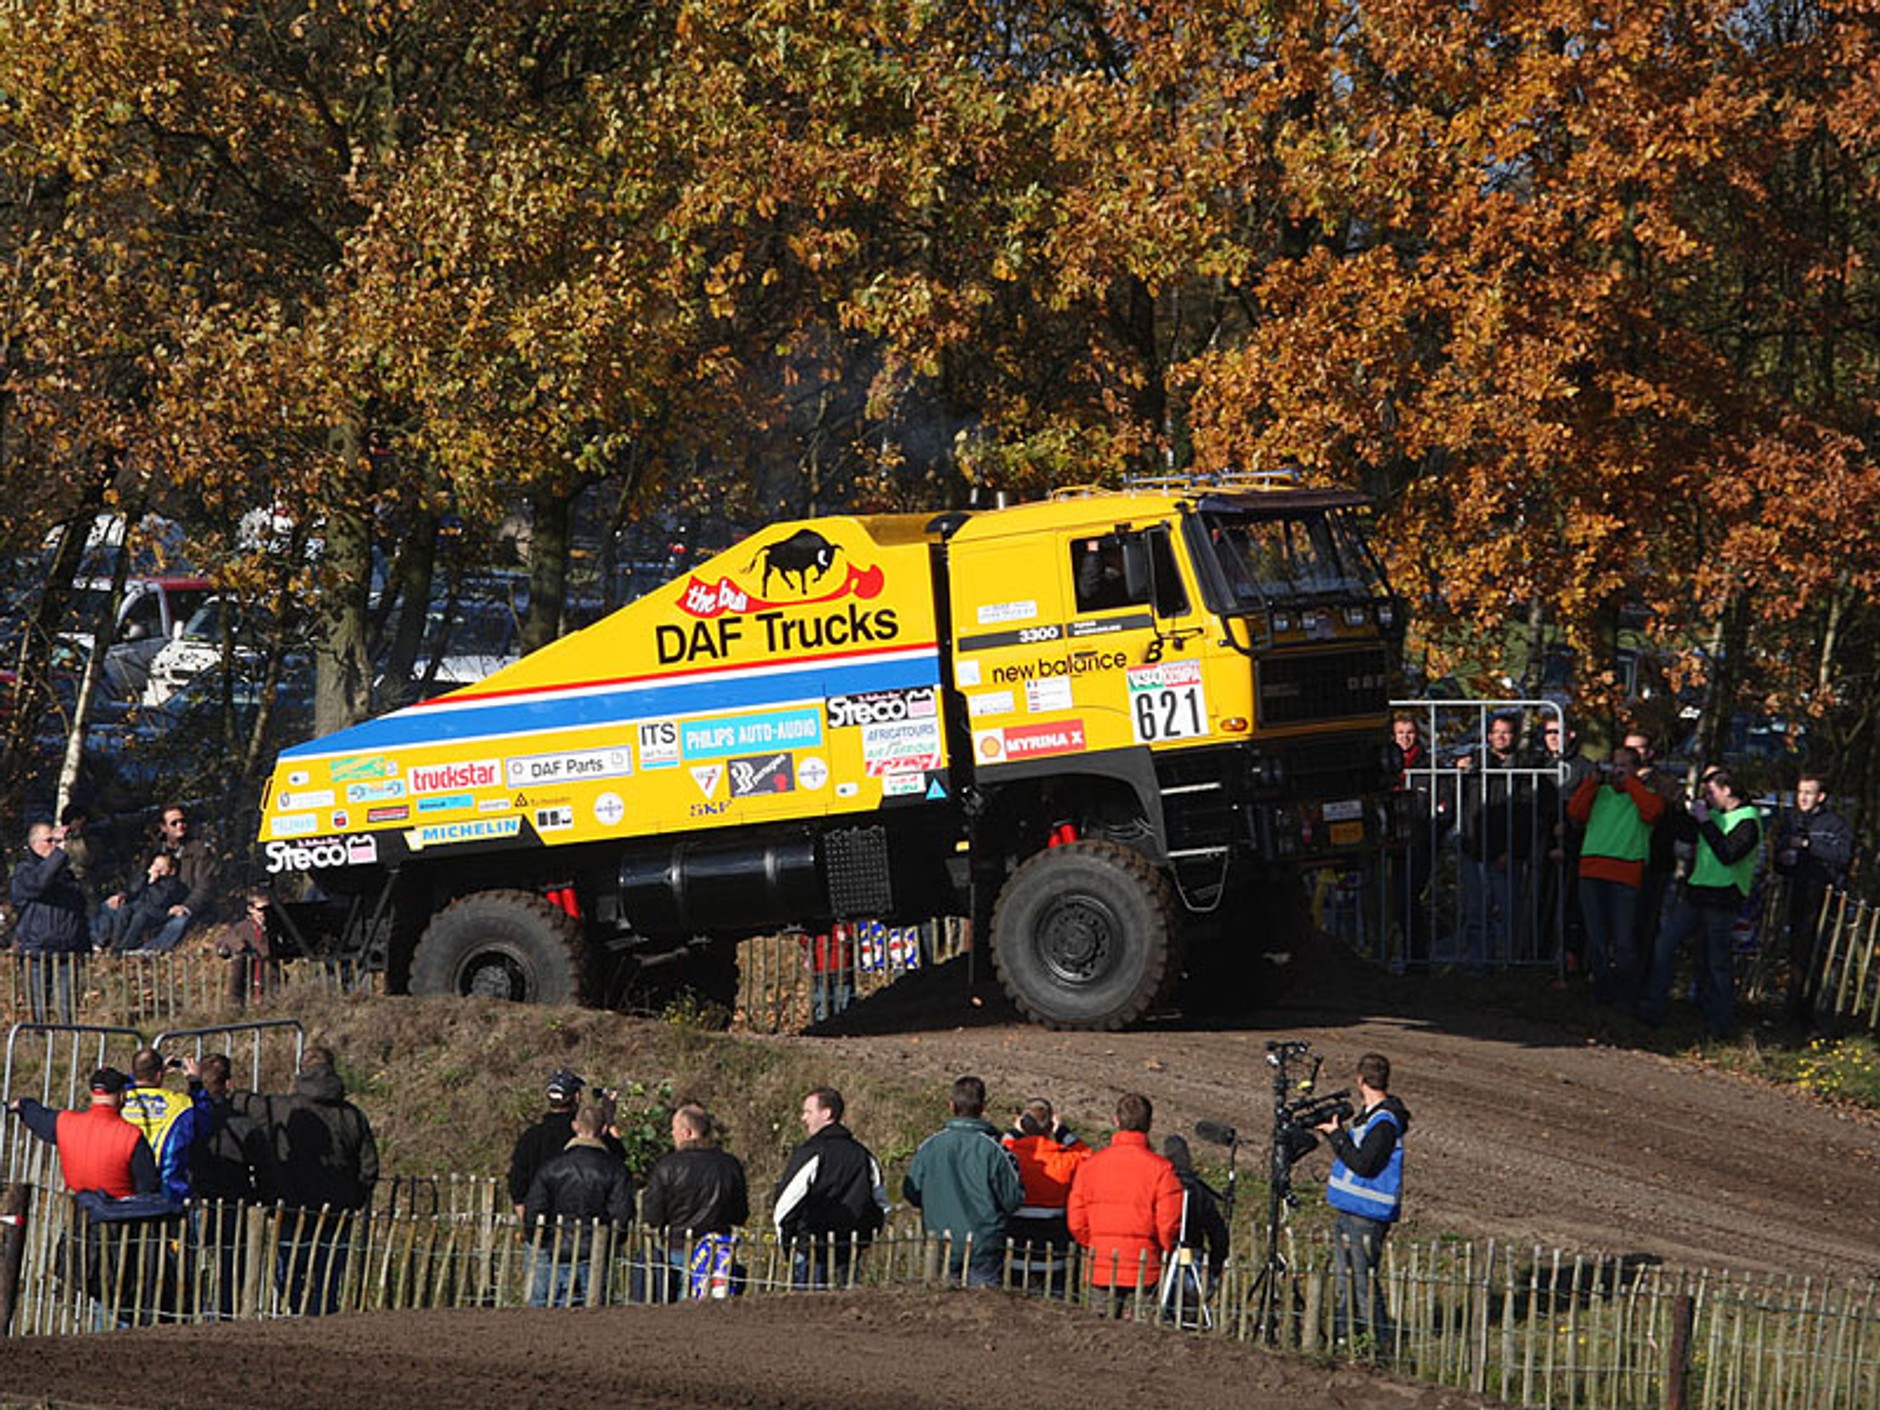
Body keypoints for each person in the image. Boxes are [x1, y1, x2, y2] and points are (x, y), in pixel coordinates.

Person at [1640, 767, 1762, 1037]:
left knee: (1717, 961)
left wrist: (1705, 821)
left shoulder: (1748, 821)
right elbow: (1685, 833)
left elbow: (1728, 853)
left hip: (1724, 898)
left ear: (1727, 790)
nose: (1708, 797)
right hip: (1697, 892)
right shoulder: (1715, 815)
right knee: (1665, 944)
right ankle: (1653, 1007)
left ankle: (1719, 1023)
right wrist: (1678, 807)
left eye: (1711, 792)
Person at [267, 1044, 378, 1314]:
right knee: (328, 1279)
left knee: (288, 1276)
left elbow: (269, 1156)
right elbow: (369, 1167)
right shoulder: (352, 1115)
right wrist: (353, 1199)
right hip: (337, 1210)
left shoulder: (283, 1111)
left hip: (291, 1208)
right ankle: (323, 1319)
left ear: (301, 1070)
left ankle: (297, 1313)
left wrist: (274, 1193)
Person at [1316, 1052, 1409, 1355]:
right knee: (1347, 1281)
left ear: (1360, 1080)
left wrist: (1337, 1137)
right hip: (1353, 1209)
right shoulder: (1371, 1118)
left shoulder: (1384, 1123)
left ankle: (1379, 1344)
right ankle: (1347, 1337)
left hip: (1367, 1215)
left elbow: (1364, 1164)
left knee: (1362, 1283)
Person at [1565, 745, 1667, 1009]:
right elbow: (1575, 812)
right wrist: (1592, 782)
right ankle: (1601, 992)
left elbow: (1653, 811)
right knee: (1597, 938)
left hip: (1625, 872)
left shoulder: (1645, 795)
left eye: (1623, 765)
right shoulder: (1600, 794)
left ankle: (1626, 995)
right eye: (1615, 764)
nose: (1617, 770)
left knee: (1624, 940)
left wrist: (1631, 783)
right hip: (1592, 870)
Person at [903, 1075, 1024, 1289]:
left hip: (941, 1240)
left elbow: (911, 1190)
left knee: (940, 1302)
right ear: (983, 1108)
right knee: (983, 1305)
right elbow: (1013, 1200)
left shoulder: (930, 1146)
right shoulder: (995, 1150)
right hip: (984, 1243)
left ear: (952, 1106)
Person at [1066, 1092, 1184, 1311]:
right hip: (1143, 1264)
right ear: (1149, 1124)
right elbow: (1168, 1222)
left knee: (1097, 1327)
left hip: (1102, 1262)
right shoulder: (1162, 1170)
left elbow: (1076, 1220)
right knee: (1140, 1328)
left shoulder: (1090, 1166)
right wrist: (1161, 1248)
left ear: (1116, 1121)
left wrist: (1093, 1243)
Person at [772, 1086, 889, 1289]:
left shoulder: (812, 1152)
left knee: (808, 1306)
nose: (803, 1118)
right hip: (849, 1251)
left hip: (812, 1252)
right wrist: (864, 1240)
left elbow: (786, 1204)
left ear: (826, 1114)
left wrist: (788, 1245)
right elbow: (881, 1205)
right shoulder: (863, 1155)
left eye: (808, 1112)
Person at [187, 1053, 276, 1318]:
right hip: (234, 1202)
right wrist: (264, 1199)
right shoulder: (246, 1125)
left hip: (194, 1199)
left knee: (189, 1259)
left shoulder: (186, 1119)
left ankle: (189, 1311)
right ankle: (224, 1315)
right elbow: (265, 1168)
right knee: (230, 1265)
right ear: (228, 1084)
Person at [521, 1103, 636, 1307]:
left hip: (558, 1250)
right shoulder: (616, 1170)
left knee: (552, 1311)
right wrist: (612, 1242)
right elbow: (622, 1214)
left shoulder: (551, 1167)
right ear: (603, 1130)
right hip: (596, 1254)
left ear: (575, 1126)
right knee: (593, 1313)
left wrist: (543, 1241)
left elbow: (534, 1212)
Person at [637, 1103, 749, 1300]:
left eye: (674, 1130)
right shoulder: (729, 1165)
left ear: (687, 1133)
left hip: (678, 1247)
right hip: (718, 1250)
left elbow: (653, 1214)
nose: (672, 1135)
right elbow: (740, 1213)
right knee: (715, 1307)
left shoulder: (667, 1166)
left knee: (679, 1306)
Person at [1455, 713, 1537, 973]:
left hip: (1506, 851)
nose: (1501, 737)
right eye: (1496, 732)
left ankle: (1511, 965)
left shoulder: (1524, 766)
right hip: (1474, 847)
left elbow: (1526, 814)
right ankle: (1480, 965)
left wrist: (1513, 850)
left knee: (1509, 912)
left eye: (1506, 732)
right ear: (1489, 736)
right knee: (1476, 912)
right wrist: (1459, 771)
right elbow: (1458, 798)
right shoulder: (1476, 763)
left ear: (1514, 736)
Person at [1772, 774, 1854, 1026]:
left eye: (1809, 793)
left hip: (1823, 897)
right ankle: (1791, 1009)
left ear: (1821, 796)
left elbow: (1843, 857)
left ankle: (1812, 1011)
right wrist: (1783, 860)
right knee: (1794, 953)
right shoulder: (1792, 821)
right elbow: (1779, 855)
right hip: (1797, 893)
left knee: (1817, 955)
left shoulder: (1835, 825)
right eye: (1800, 792)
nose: (1803, 798)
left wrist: (1809, 846)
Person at [7, 1067, 161, 1199]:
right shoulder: (132, 1136)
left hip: (80, 1213)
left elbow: (38, 1117)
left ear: (92, 1093)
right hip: (122, 1217)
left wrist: (22, 1105)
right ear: (122, 1095)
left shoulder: (64, 1123)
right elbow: (148, 1188)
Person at [1001, 1095, 1090, 1296]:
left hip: (1015, 1250)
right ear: (1050, 1127)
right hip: (1054, 1252)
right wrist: (1063, 1132)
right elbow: (1089, 1157)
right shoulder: (1065, 1160)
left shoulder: (1011, 1155)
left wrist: (1014, 1131)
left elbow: (1000, 1147)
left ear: (1023, 1124)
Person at [508, 1068, 624, 1220]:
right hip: (585, 1222)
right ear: (576, 1097)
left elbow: (517, 1184)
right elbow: (619, 1158)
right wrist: (609, 1119)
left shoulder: (530, 1137)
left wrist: (529, 1221)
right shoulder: (584, 1133)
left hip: (542, 1223)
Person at [10, 819, 90, 1022]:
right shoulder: (24, 871)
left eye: (58, 841)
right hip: (37, 951)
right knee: (38, 1011)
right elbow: (38, 884)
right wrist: (59, 855)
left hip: (67, 951)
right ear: (35, 844)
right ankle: (39, 1039)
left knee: (67, 1010)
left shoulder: (67, 875)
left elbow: (78, 911)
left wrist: (84, 946)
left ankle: (67, 1038)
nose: (55, 846)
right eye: (50, 841)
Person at [1389, 715, 1449, 973]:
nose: (1405, 737)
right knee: (1395, 902)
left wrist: (1430, 833)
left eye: (1410, 732)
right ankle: (1398, 956)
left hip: (1420, 843)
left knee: (1408, 898)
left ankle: (1417, 960)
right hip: (1391, 845)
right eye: (1400, 732)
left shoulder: (1430, 766)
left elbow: (1445, 806)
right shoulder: (1385, 768)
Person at [1624, 728, 1683, 961]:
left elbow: (1667, 821)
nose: (1632, 753)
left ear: (1649, 752)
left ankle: (1642, 971)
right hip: (1621, 859)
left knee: (1645, 921)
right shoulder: (1615, 782)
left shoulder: (1664, 783)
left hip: (1653, 861)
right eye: (1627, 748)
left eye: (1637, 748)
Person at [120, 1047, 206, 1205]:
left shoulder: (121, 1101)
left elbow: (124, 1084)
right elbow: (203, 1122)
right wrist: (196, 1083)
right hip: (169, 1192)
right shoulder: (181, 1104)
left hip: (127, 1192)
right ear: (160, 1075)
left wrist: (139, 1075)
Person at [142, 804, 218, 953]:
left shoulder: (200, 850)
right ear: (163, 827)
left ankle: (152, 950)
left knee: (179, 921)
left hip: (189, 905)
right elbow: (139, 878)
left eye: (183, 821)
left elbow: (205, 885)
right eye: (174, 823)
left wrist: (186, 906)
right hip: (159, 902)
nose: (180, 825)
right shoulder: (155, 850)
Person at [93, 853, 187, 955]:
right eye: (155, 865)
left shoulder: (171, 884)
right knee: (124, 911)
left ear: (171, 871)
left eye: (161, 867)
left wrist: (152, 883)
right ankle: (115, 943)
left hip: (155, 912)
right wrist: (144, 880)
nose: (157, 869)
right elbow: (133, 889)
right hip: (140, 905)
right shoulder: (145, 877)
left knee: (140, 917)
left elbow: (158, 900)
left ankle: (125, 946)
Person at [214, 890, 280, 1006]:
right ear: (251, 909)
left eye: (268, 909)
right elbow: (223, 941)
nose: (264, 913)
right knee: (239, 960)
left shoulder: (276, 927)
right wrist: (238, 945)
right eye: (260, 909)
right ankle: (236, 1003)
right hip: (247, 979)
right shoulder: (243, 928)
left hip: (270, 979)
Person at [801, 922, 856, 1023]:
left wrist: (846, 938)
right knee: (823, 1000)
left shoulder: (842, 922)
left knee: (839, 999)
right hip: (822, 966)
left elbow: (852, 936)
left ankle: (838, 1023)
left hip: (839, 965)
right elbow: (804, 940)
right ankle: (826, 1023)